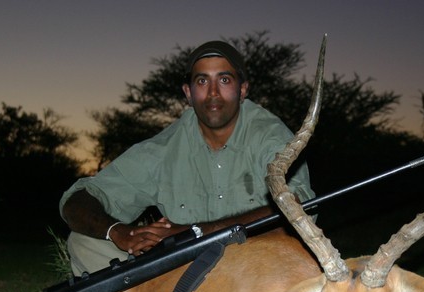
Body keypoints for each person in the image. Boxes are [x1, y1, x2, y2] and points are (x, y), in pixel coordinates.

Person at [60, 40, 315, 276]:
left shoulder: (270, 135)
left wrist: (195, 232)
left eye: (224, 80)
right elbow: (79, 198)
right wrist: (120, 232)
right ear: (188, 93)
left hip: (254, 265)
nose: (213, 93)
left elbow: (297, 209)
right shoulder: (163, 148)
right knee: (84, 242)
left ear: (242, 89)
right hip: (184, 265)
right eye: (202, 82)